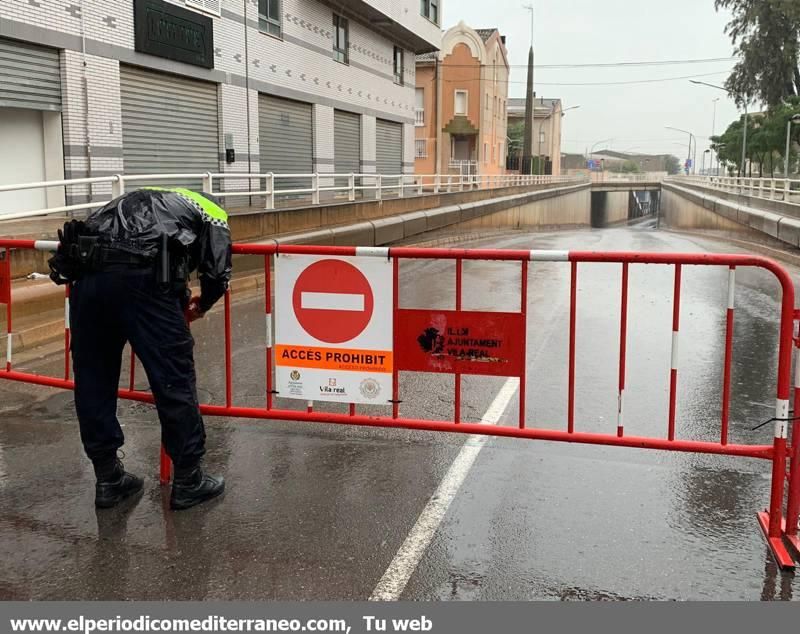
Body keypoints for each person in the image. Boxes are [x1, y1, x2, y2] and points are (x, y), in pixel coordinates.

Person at [48, 188, 233, 510]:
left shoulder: (126, 199)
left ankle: (108, 479)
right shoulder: (211, 211)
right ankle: (189, 480)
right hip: (146, 284)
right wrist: (202, 305)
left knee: (93, 380)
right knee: (173, 379)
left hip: (89, 283)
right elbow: (217, 271)